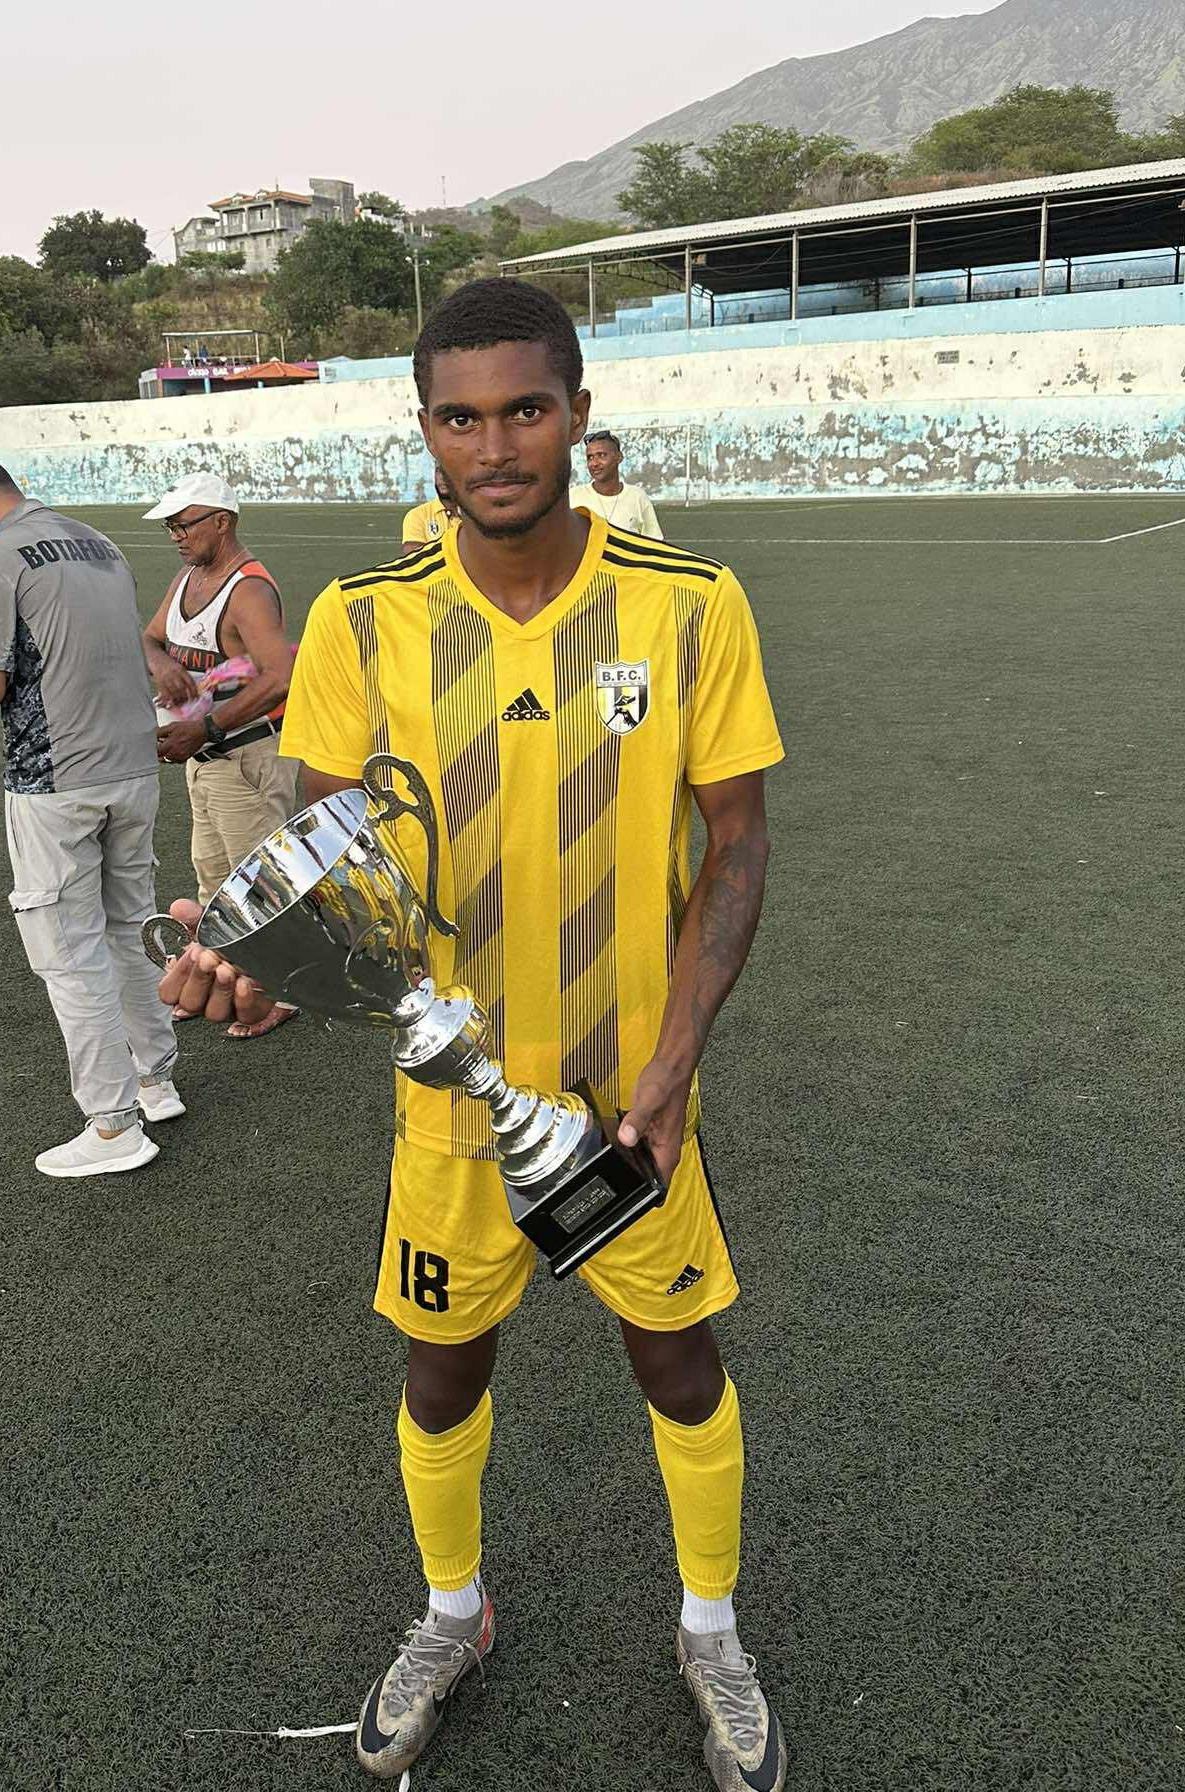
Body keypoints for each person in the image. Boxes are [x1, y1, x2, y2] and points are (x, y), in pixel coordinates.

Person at [159, 278, 786, 1789]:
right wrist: (268, 968)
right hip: (450, 1108)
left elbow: (738, 842)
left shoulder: (690, 603)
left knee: (679, 1364)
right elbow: (332, 867)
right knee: (441, 1374)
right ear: (426, 429)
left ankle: (711, 1632)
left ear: (577, 415)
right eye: (461, 416)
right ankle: (455, 1613)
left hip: (629, 1103)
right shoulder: (366, 620)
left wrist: (676, 1062)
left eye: (524, 411)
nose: (495, 446)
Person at [0, 454, 184, 1177]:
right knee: (130, 929)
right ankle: (156, 1081)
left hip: (56, 781)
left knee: (69, 953)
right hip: (132, 769)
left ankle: (113, 1127)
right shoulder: (100, 543)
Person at [142, 473, 299, 1038]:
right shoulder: (189, 578)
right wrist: (165, 666)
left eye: (184, 525)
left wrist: (205, 728)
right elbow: (149, 637)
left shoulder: (247, 589)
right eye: (170, 527)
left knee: (259, 885)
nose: (176, 536)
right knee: (214, 881)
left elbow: (281, 675)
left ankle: (280, 992)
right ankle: (226, 980)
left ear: (222, 521)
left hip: (246, 756)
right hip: (207, 761)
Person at [570, 426, 665, 537]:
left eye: (601, 455)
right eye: (590, 457)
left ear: (619, 457)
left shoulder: (637, 497)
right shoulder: (573, 497)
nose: (594, 463)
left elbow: (654, 541)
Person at [399, 466, 457, 554]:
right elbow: (415, 559)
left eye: (449, 470)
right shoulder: (417, 516)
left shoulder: (474, 515)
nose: (442, 477)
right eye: (438, 470)